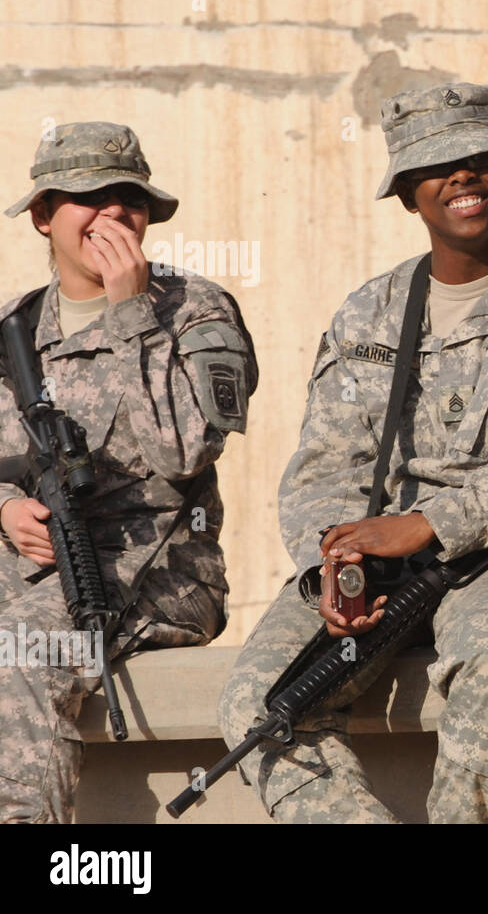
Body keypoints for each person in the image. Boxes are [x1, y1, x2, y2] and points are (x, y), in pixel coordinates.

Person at [218, 82, 488, 824]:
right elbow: (326, 464)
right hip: (382, 557)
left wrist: (432, 524)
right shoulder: (368, 313)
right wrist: (336, 558)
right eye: (439, 165)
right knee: (259, 705)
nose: (463, 176)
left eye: (480, 157)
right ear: (408, 195)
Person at [0, 121, 257, 823]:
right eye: (90, 196)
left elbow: (182, 451)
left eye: (128, 198)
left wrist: (130, 316)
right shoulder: (14, 328)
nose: (113, 212)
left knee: (19, 653)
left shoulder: (194, 311)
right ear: (45, 216)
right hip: (25, 573)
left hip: (160, 576)